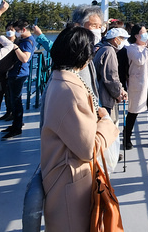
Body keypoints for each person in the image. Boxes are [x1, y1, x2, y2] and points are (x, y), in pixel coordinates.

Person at [41, 25, 120, 231]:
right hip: (70, 183)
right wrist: (106, 123)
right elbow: (88, 149)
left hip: (63, 178)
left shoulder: (58, 80)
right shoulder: (70, 90)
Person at [124, 24, 148, 149]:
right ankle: (127, 137)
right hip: (139, 83)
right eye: (142, 33)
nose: (145, 35)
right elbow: (139, 61)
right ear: (136, 35)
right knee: (134, 111)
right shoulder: (131, 48)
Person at [3, 19, 34, 139]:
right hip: (15, 73)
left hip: (19, 74)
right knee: (13, 100)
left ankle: (17, 128)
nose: (15, 33)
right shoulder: (24, 40)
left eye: (16, 30)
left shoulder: (27, 42)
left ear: (23, 30)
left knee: (16, 101)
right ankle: (16, 123)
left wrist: (15, 48)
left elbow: (25, 58)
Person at [93, 27, 129, 121]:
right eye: (123, 39)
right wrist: (118, 93)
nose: (124, 42)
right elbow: (111, 77)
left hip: (99, 95)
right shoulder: (109, 51)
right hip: (104, 97)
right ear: (115, 39)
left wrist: (120, 89)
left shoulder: (101, 48)